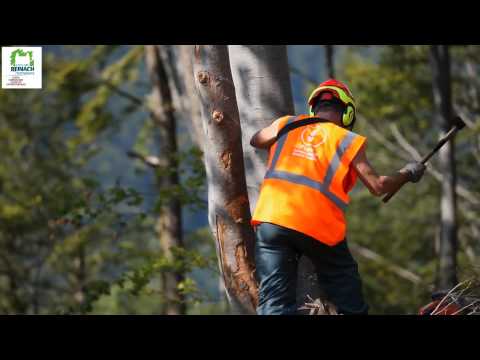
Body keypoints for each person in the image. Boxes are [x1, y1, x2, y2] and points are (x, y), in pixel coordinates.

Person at [250, 79, 426, 315]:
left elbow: (256, 140)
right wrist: (407, 173)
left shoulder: (286, 123)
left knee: (274, 304)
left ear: (313, 109)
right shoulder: (347, 139)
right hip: (317, 225)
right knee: (347, 293)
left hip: (271, 220)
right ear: (348, 114)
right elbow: (378, 185)